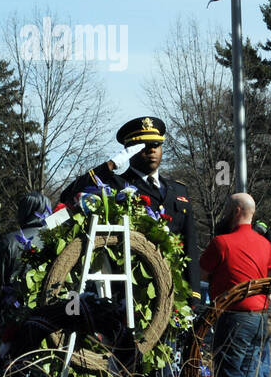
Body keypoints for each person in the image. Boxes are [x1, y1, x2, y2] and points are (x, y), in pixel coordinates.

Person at [60, 116, 200, 298]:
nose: (151, 151)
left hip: (174, 292)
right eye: (143, 146)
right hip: (131, 292)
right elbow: (68, 195)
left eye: (156, 145)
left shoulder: (178, 190)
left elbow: (189, 245)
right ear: (129, 151)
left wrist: (194, 296)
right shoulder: (115, 185)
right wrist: (110, 165)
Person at [199, 192, 271, 377]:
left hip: (234, 316)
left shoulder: (221, 243)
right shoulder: (265, 244)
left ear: (235, 211)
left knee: (229, 372)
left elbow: (201, 273)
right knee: (256, 370)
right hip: (262, 316)